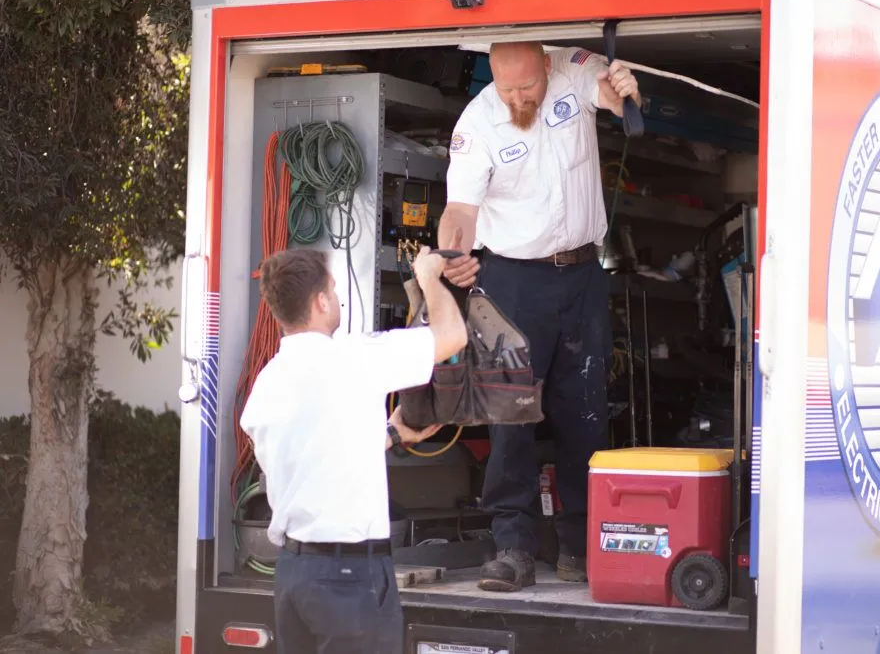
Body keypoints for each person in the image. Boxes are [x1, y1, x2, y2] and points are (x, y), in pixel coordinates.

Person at [438, 41, 641, 592]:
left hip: (580, 274)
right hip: (511, 279)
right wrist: (453, 256)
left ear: (544, 67)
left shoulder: (573, 71)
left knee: (585, 412)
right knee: (511, 415)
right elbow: (459, 210)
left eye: (527, 87)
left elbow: (610, 94)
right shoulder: (478, 122)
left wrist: (625, 94)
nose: (517, 98)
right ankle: (513, 548)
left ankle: (578, 547)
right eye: (506, 89)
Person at [240, 246, 467, 653]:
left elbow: (312, 458)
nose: (338, 299)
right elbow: (453, 336)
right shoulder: (355, 358)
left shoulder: (266, 386)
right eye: (333, 290)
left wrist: (391, 436)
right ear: (321, 301)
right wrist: (429, 277)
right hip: (350, 576)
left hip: (295, 574)